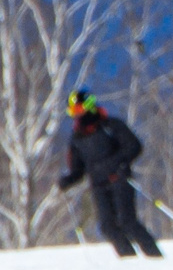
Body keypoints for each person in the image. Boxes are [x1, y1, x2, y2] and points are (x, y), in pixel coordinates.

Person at [56, 89, 162, 258]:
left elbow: (134, 146)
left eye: (79, 110)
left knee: (127, 222)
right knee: (107, 227)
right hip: (98, 186)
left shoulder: (111, 126)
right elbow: (78, 169)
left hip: (119, 179)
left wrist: (117, 163)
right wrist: (67, 180)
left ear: (89, 107)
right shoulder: (77, 139)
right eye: (73, 112)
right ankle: (129, 259)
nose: (77, 115)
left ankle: (155, 256)